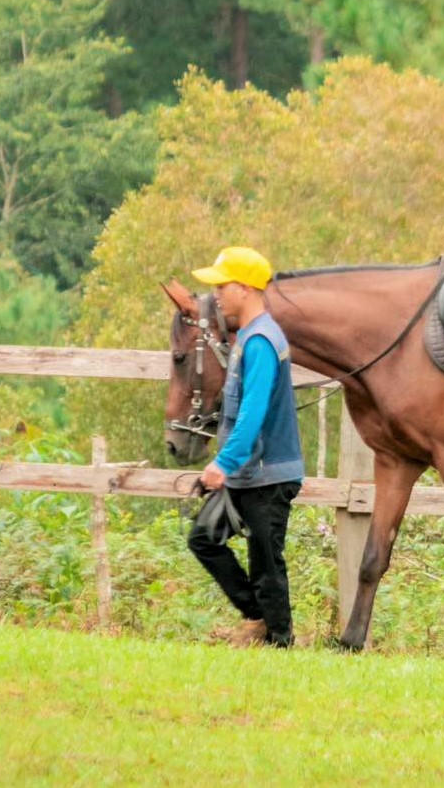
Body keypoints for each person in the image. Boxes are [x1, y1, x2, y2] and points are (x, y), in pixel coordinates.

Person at [185, 246, 304, 648]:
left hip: (266, 474)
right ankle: (257, 617)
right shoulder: (247, 338)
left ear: (245, 288)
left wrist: (222, 463)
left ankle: (281, 642)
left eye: (222, 285)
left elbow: (252, 413)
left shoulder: (262, 342)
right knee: (203, 539)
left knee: (267, 563)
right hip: (245, 472)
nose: (216, 293)